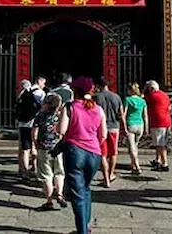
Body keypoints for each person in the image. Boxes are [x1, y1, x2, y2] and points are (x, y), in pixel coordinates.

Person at [60, 76, 107, 234]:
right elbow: (103, 135)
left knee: (77, 195)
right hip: (94, 153)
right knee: (86, 189)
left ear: (75, 91)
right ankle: (85, 225)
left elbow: (61, 131)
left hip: (75, 152)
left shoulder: (70, 107)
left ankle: (82, 231)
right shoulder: (98, 109)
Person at [31, 93, 68, 211]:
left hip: (43, 147)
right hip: (58, 147)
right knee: (59, 172)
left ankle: (49, 201)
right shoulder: (60, 115)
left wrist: (35, 144)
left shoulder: (40, 116)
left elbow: (34, 132)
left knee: (46, 175)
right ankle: (60, 194)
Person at [95, 77, 126, 187]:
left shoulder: (96, 97)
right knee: (113, 153)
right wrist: (124, 128)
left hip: (100, 128)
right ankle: (111, 173)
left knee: (102, 154)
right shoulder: (116, 97)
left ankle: (106, 178)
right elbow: (121, 114)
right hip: (114, 127)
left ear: (98, 85)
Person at [16, 79, 43, 180]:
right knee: (34, 146)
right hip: (34, 124)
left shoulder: (21, 95)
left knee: (25, 150)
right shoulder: (39, 93)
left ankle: (24, 171)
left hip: (23, 124)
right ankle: (35, 168)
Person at [144, 80, 172, 171]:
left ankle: (165, 164)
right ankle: (158, 159)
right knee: (159, 142)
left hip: (158, 122)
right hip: (166, 121)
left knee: (160, 144)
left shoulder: (152, 96)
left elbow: (144, 99)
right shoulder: (165, 95)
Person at [124, 82, 149, 175]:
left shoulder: (127, 99)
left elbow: (124, 113)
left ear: (130, 90)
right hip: (140, 125)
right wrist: (147, 128)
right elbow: (145, 115)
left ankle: (137, 166)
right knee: (135, 145)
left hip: (131, 123)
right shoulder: (142, 101)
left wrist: (123, 124)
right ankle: (133, 164)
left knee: (132, 147)